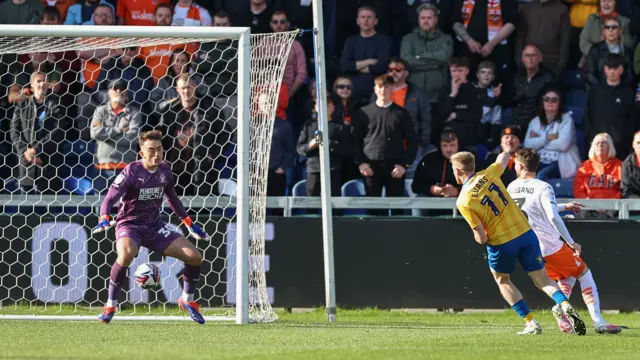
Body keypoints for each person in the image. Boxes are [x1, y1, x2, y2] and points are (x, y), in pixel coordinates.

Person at [451, 150, 586, 335]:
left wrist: (479, 233)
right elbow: (503, 159)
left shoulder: (464, 200)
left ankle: (531, 323)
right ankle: (564, 303)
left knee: (503, 280)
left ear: (458, 171)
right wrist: (507, 149)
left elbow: (481, 238)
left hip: (502, 242)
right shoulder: (489, 173)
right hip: (525, 233)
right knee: (543, 279)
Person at [94, 130, 209, 325]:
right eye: (151, 150)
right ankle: (110, 305)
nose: (156, 154)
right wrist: (104, 216)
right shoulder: (131, 171)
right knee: (126, 254)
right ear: (142, 153)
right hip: (129, 224)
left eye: (159, 149)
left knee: (195, 257)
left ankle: (186, 301)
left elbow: (172, 198)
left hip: (154, 226)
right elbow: (109, 197)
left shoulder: (165, 171)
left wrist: (189, 223)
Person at [507, 148, 622, 335]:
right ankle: (598, 321)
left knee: (565, 276)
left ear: (520, 166)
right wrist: (571, 242)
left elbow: (530, 210)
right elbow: (551, 216)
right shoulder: (543, 186)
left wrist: (563, 206)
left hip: (529, 248)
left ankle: (560, 309)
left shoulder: (511, 187)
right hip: (550, 245)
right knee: (584, 273)